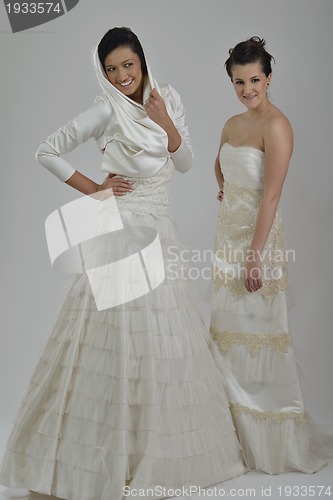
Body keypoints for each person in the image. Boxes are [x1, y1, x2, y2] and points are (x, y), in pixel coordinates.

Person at [0, 27, 246, 500]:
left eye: (127, 65)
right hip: (122, 229)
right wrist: (94, 189)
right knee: (113, 340)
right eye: (111, 69)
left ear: (142, 61)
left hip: (162, 228)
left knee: (162, 341)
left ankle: (145, 449)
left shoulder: (167, 98)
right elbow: (45, 150)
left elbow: (188, 161)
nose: (121, 76)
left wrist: (164, 121)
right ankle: (93, 461)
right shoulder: (104, 108)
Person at [210, 36, 326, 474]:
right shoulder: (230, 123)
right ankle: (233, 443)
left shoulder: (278, 125)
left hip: (257, 243)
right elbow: (221, 167)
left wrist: (255, 255)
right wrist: (226, 188)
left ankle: (271, 443)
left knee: (259, 335)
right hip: (227, 240)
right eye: (239, 82)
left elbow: (272, 196)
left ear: (269, 77)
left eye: (255, 79)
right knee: (226, 334)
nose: (247, 89)